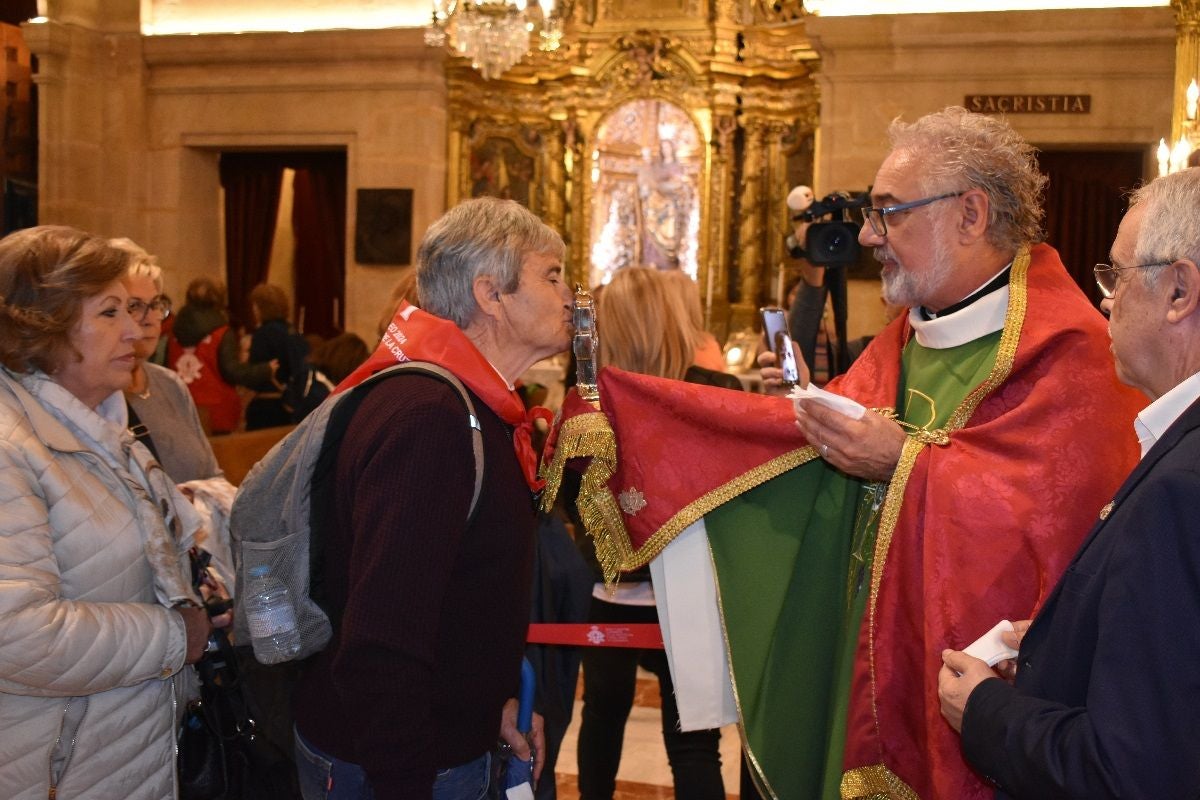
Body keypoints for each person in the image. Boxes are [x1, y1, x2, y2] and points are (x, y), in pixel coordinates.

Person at [737, 105, 1145, 797]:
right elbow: (854, 428)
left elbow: (1058, 528)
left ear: (970, 214)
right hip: (872, 664)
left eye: (890, 213)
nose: (869, 235)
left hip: (981, 690)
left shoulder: (1074, 350)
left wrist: (905, 460)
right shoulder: (907, 335)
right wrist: (813, 406)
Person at [292, 196, 572, 799]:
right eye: (552, 275)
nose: (569, 295)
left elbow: (456, 596)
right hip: (399, 765)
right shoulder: (431, 419)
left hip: (444, 741)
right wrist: (405, 783)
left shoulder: (469, 406)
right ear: (490, 294)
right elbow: (380, 642)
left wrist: (488, 703)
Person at [937, 167, 1200, 798]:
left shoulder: (1179, 490)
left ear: (1179, 291)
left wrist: (983, 711)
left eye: (1117, 273)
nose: (1105, 297)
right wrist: (1068, 642)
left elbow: (1128, 771)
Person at [0, 225, 219, 800]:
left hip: (120, 748)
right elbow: (15, 635)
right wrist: (176, 634)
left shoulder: (99, 426)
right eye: (108, 313)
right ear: (42, 326)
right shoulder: (9, 447)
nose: (135, 330)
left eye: (136, 309)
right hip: (54, 766)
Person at [573, 268, 735, 800]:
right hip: (692, 588)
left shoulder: (590, 401)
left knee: (600, 722)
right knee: (694, 743)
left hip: (614, 587)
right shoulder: (715, 390)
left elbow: (576, 498)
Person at [111, 238, 224, 484]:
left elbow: (212, 474)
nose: (150, 318)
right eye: (135, 306)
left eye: (155, 305)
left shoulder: (170, 384)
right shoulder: (99, 394)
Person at [169, 277, 270, 434]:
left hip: (181, 407)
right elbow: (231, 371)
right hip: (217, 410)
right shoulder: (221, 332)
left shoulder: (173, 331)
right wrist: (265, 370)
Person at [242, 283, 307, 430]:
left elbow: (256, 377)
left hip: (267, 406)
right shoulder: (293, 332)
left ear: (261, 307)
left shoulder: (263, 334)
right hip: (291, 405)